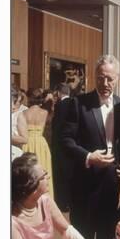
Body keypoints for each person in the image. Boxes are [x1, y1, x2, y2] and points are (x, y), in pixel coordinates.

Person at [61, 54, 120, 239]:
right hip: (84, 182)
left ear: (117, 78)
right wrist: (89, 157)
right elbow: (65, 141)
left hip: (110, 183)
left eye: (110, 78)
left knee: (105, 238)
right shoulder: (78, 103)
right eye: (100, 77)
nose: (105, 83)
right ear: (94, 77)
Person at [17, 88, 55, 199]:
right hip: (41, 143)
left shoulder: (23, 113)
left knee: (28, 173)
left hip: (28, 143)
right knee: (44, 172)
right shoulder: (45, 112)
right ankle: (46, 199)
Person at [51, 83, 72, 212]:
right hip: (72, 145)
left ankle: (62, 203)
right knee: (70, 174)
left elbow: (56, 127)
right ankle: (70, 201)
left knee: (60, 175)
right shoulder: (75, 102)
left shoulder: (59, 105)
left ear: (58, 93)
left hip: (60, 146)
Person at [11, 86, 27, 160]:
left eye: (16, 102)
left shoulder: (18, 115)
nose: (14, 106)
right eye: (13, 102)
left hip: (14, 153)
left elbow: (25, 139)